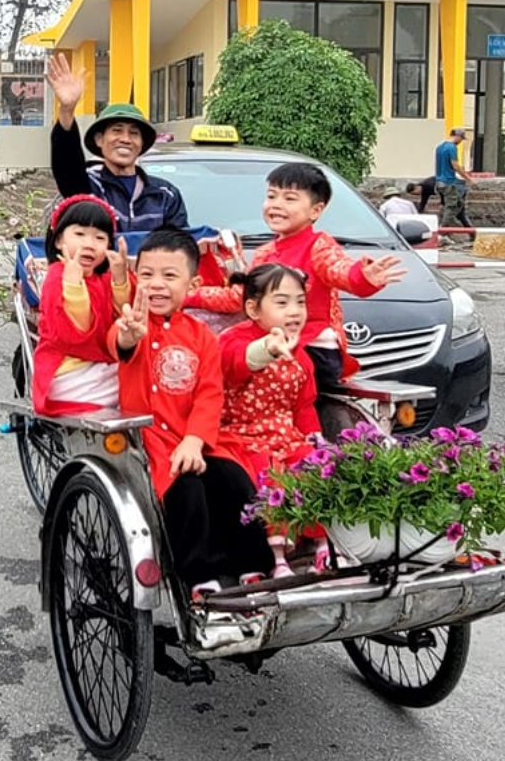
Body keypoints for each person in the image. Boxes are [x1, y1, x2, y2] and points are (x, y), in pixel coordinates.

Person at [113, 229, 274, 596]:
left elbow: (209, 393)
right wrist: (128, 335)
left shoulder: (201, 335)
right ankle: (198, 576)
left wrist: (195, 439)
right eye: (148, 274)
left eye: (170, 276)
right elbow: (119, 344)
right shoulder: (131, 322)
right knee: (185, 489)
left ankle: (252, 565)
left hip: (198, 435)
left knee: (235, 481)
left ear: (193, 283)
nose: (156, 285)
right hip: (151, 438)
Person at [186, 163, 405, 390]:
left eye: (289, 199)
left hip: (312, 349)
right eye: (272, 196)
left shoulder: (318, 244)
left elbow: (339, 270)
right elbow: (240, 298)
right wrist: (191, 292)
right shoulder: (265, 253)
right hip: (275, 344)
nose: (277, 205)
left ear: (316, 210)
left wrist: (362, 276)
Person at [216, 264, 327, 579]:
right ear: (253, 308)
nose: (294, 311)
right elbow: (237, 364)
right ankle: (277, 556)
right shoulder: (233, 340)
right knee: (271, 474)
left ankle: (323, 544)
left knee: (318, 466)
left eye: (300, 302)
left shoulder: (301, 353)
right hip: (242, 436)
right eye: (282, 303)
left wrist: (316, 439)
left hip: (286, 435)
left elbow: (304, 406)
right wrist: (268, 349)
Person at [44, 51, 199, 234]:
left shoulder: (165, 194)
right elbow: (66, 165)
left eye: (134, 133)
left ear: (142, 143)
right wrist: (66, 110)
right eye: (117, 130)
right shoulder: (88, 187)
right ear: (99, 139)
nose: (125, 139)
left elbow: (180, 246)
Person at [32, 194, 133, 416]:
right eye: (79, 234)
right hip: (69, 374)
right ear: (58, 240)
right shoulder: (57, 276)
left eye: (99, 238)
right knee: (143, 385)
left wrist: (119, 279)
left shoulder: (101, 277)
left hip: (97, 369)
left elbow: (120, 318)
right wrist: (73, 284)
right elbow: (75, 333)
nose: (89, 244)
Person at [434, 127, 474, 230]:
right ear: (457, 136)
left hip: (439, 182)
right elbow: (455, 165)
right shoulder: (452, 147)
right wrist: (467, 178)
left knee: (459, 203)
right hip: (448, 182)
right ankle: (443, 228)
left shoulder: (439, 147)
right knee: (451, 206)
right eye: (461, 138)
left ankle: (449, 222)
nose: (461, 142)